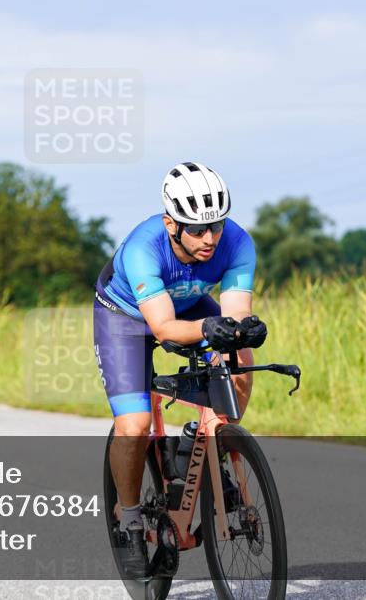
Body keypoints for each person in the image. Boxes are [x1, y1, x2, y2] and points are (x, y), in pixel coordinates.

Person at [94, 162, 267, 579]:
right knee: (134, 426)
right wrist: (208, 328)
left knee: (239, 358)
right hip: (128, 318)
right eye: (196, 230)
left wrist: (244, 329)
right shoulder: (143, 248)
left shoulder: (238, 243)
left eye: (217, 227)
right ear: (171, 223)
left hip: (189, 306)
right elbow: (164, 328)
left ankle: (216, 445)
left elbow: (235, 311)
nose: (210, 239)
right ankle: (131, 519)